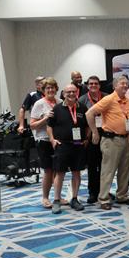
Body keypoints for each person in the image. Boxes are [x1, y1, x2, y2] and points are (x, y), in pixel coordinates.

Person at [86, 76, 129, 210]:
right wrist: (95, 132)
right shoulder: (108, 99)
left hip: (126, 138)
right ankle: (104, 199)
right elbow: (89, 113)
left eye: (126, 83)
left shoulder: (127, 101)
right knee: (108, 171)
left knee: (125, 170)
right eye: (122, 83)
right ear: (115, 86)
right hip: (111, 140)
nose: (125, 85)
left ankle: (122, 196)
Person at [47, 83, 88, 214]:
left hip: (78, 145)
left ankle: (74, 199)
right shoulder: (57, 109)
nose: (71, 94)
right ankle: (56, 200)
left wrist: (86, 138)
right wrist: (52, 140)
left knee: (76, 172)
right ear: (63, 94)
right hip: (62, 145)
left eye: (73, 91)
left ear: (77, 93)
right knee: (60, 173)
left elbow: (87, 125)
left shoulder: (82, 108)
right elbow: (49, 126)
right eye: (68, 92)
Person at [29, 77, 59, 208]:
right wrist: (45, 119)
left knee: (58, 170)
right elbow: (32, 125)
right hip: (44, 141)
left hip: (58, 140)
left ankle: (58, 196)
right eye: (48, 88)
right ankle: (45, 198)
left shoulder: (60, 102)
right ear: (43, 90)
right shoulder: (39, 104)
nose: (50, 90)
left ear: (56, 89)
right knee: (48, 170)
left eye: (53, 87)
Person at [79, 75, 107, 204]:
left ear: (99, 85)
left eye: (96, 83)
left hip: (106, 134)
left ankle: (104, 191)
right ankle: (92, 192)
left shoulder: (107, 97)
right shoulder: (82, 99)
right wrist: (85, 137)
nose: (93, 85)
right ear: (87, 86)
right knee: (92, 165)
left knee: (105, 166)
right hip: (90, 135)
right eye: (91, 84)